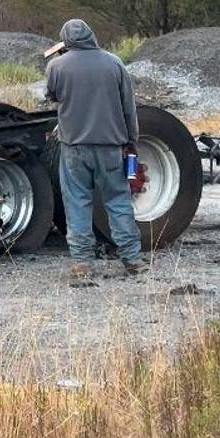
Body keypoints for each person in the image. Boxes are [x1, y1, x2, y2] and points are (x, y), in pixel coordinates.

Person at [45, 18, 147, 278]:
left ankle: (83, 263)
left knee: (77, 203)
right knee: (118, 201)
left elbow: (52, 97)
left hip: (74, 148)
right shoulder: (114, 63)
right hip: (111, 147)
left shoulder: (56, 66)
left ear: (65, 40)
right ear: (92, 35)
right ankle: (133, 259)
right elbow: (128, 107)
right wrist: (131, 141)